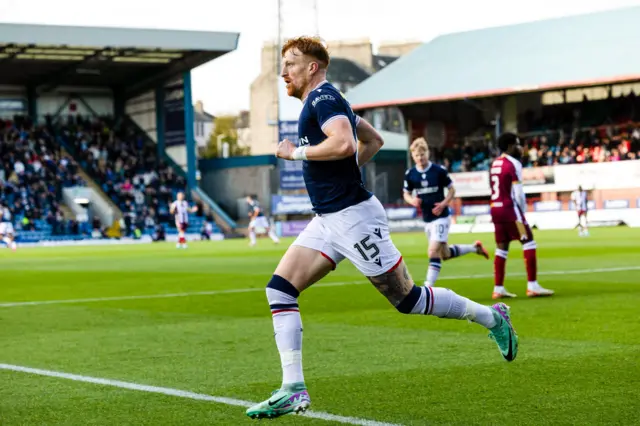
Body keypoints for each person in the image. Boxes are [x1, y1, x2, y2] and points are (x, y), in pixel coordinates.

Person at [246, 36, 519, 420]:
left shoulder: (323, 100)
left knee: (408, 300)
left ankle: (493, 317)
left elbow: (343, 143)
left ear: (312, 68)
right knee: (280, 290)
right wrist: (344, 173)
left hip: (354, 219)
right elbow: (370, 140)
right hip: (329, 218)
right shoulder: (330, 100)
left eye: (290, 63)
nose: (283, 71)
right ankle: (293, 388)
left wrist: (297, 152)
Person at [403, 137, 489, 287]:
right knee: (445, 254)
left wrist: (443, 204)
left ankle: (428, 287)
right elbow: (406, 193)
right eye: (417, 155)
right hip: (427, 219)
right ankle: (474, 248)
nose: (420, 158)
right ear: (413, 156)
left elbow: (452, 190)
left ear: (427, 153)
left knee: (432, 251)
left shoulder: (439, 171)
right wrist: (412, 201)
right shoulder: (411, 174)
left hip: (441, 217)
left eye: (422, 154)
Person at [489, 133, 554, 299]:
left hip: (495, 209)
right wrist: (522, 211)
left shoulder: (495, 163)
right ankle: (532, 285)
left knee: (501, 248)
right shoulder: (514, 163)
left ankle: (498, 288)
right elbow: (517, 191)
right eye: (517, 144)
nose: (520, 148)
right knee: (529, 241)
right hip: (510, 210)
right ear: (510, 146)